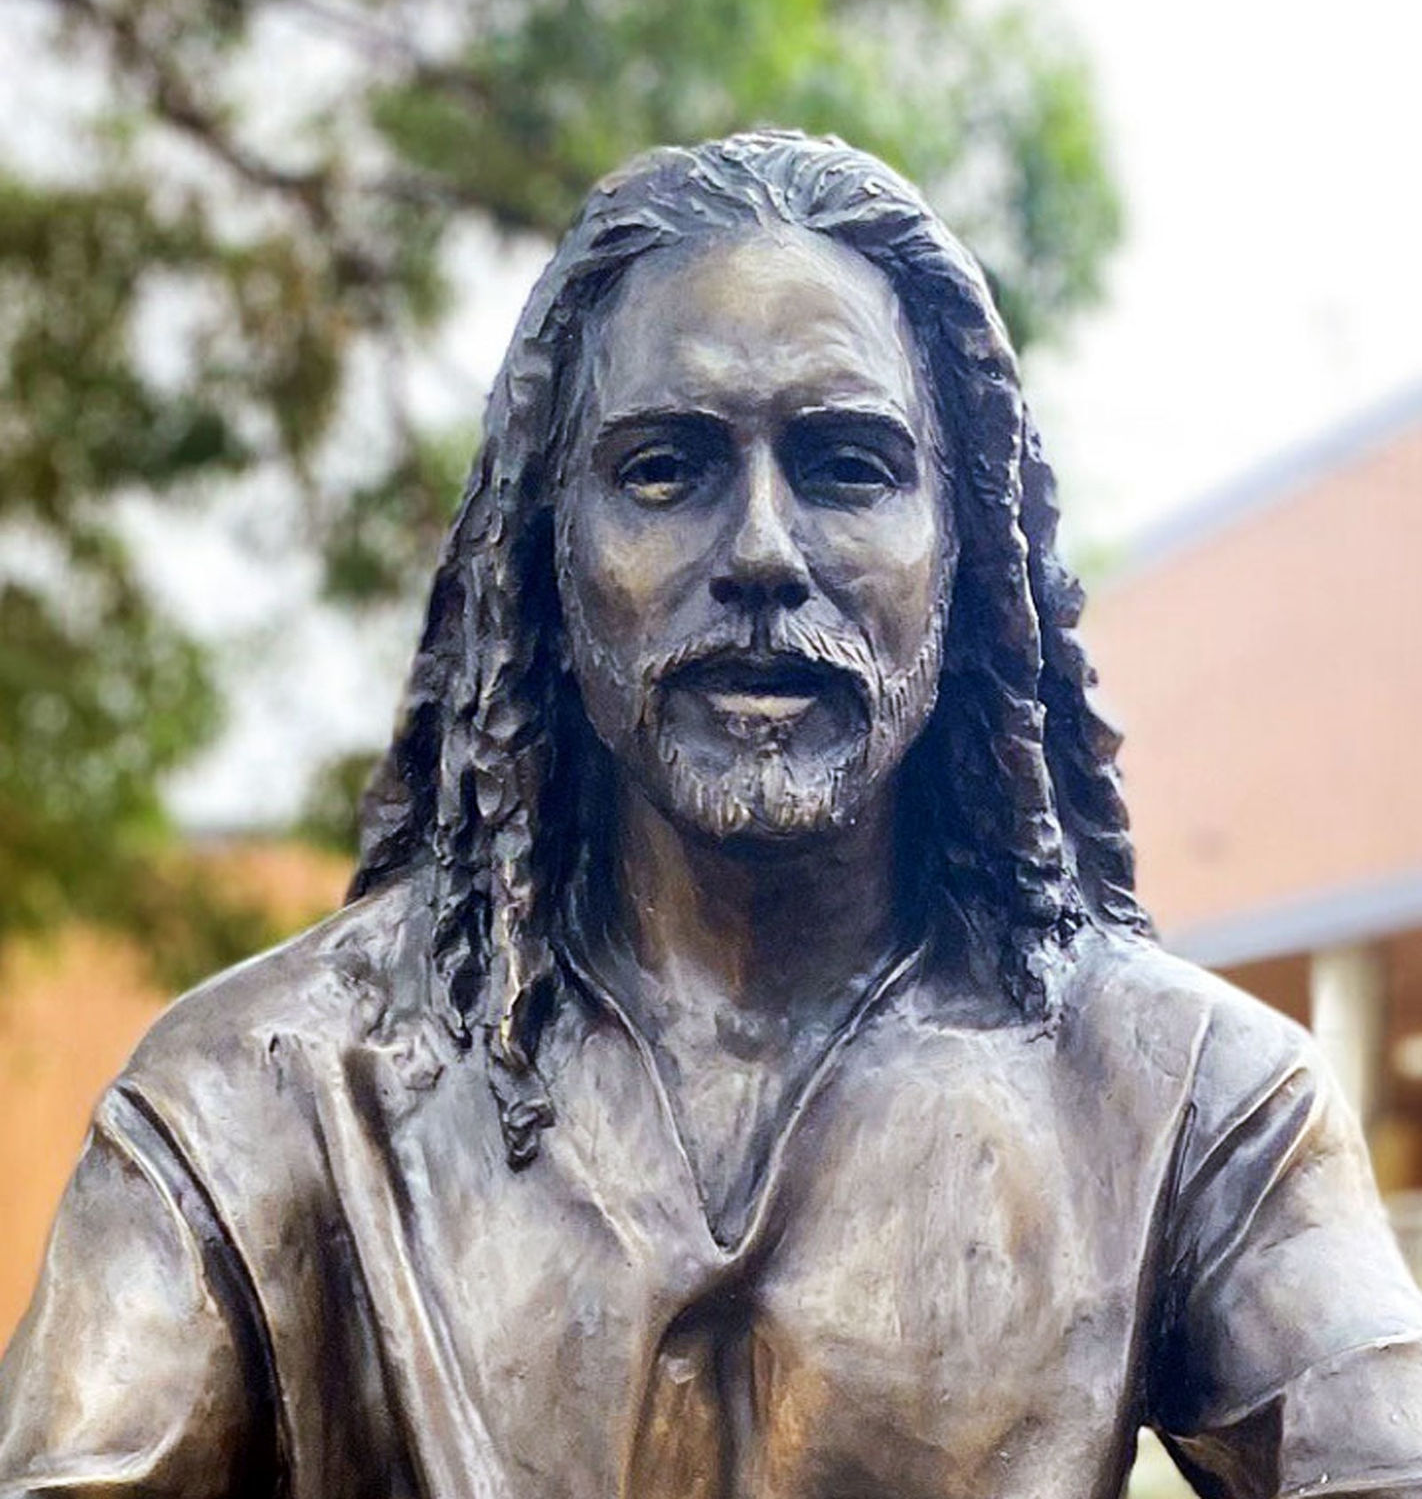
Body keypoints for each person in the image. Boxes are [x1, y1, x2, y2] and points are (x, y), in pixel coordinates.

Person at [1, 131, 1419, 1499]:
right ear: (542, 560)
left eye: (845, 464)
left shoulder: (1192, 1098)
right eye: (664, 469)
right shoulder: (260, 1097)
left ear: (963, 548)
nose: (756, 552)